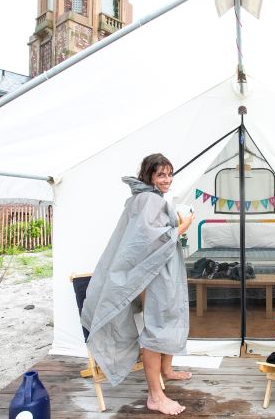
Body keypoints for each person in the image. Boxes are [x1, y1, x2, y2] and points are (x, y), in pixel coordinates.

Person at [81, 153, 196, 415]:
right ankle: (155, 396)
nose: (167, 179)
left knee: (166, 320)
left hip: (155, 271)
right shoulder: (149, 200)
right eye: (161, 174)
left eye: (169, 174)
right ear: (149, 176)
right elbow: (151, 241)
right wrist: (183, 226)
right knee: (158, 327)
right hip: (154, 274)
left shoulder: (143, 198)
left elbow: (145, 235)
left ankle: (166, 370)